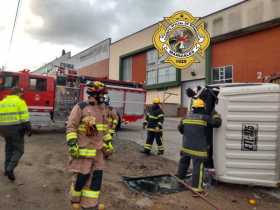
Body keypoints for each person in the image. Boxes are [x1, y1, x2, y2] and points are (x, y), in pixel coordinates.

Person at [66, 81, 109, 210]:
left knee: (96, 179)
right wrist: (72, 144)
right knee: (81, 178)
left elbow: (104, 130)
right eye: (101, 94)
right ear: (94, 94)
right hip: (83, 152)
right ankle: (75, 201)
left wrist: (109, 144)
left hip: (98, 152)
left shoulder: (102, 109)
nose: (103, 97)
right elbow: (71, 127)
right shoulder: (81, 107)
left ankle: (90, 205)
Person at [176, 98, 221, 193]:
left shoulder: (185, 117)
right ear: (202, 108)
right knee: (198, 168)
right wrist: (215, 114)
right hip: (198, 150)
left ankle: (179, 179)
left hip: (186, 147)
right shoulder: (204, 117)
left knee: (183, 163)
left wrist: (188, 134)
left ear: (193, 108)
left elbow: (180, 129)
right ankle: (196, 188)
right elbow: (217, 123)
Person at [0, 87, 31, 181]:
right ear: (18, 93)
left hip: (3, 130)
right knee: (19, 150)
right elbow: (25, 118)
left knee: (9, 148)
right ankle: (10, 169)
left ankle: (6, 169)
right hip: (16, 129)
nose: (22, 95)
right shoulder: (20, 102)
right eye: (21, 93)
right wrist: (29, 129)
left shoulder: (2, 102)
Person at [102, 94, 118, 159]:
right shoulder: (101, 108)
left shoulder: (110, 110)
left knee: (106, 142)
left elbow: (116, 118)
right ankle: (106, 152)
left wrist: (114, 125)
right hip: (103, 128)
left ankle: (107, 153)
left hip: (108, 129)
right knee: (104, 142)